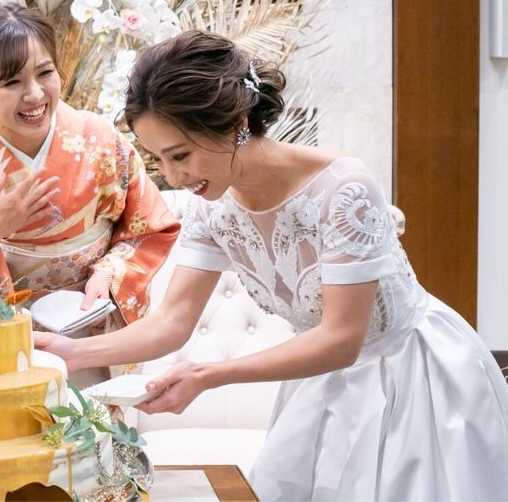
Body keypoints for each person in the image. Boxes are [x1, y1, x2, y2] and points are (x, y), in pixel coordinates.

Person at [35, 30, 508, 500]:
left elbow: (342, 338)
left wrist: (209, 376)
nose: (175, 177)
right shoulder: (212, 209)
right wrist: (74, 353)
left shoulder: (344, 189)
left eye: (181, 155)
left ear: (237, 122)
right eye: (159, 160)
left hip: (412, 380)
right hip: (319, 384)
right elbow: (174, 321)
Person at [0, 3, 179, 335]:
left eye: (45, 73)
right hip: (3, 329)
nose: (34, 94)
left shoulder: (100, 139)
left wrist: (109, 273)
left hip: (93, 317)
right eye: (11, 82)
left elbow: (151, 226)